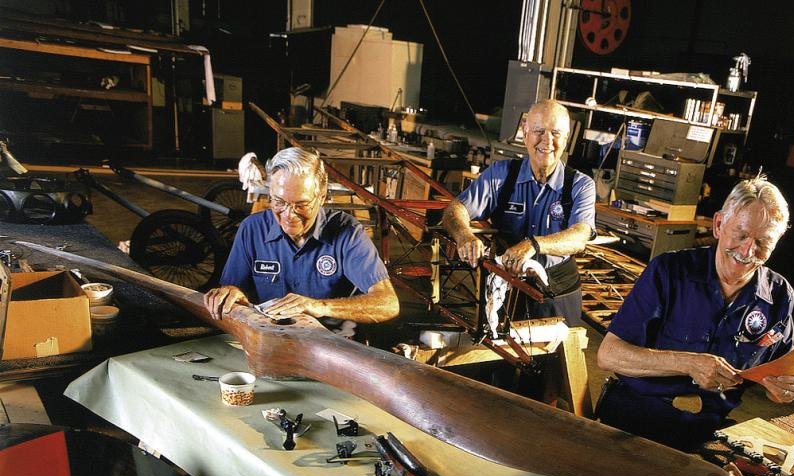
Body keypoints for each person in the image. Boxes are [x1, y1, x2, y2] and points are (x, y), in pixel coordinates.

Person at [595, 176, 794, 451]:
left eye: (762, 242)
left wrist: (788, 386)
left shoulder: (779, 295)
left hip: (705, 433)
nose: (747, 251)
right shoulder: (669, 272)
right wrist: (688, 363)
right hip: (633, 421)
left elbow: (780, 372)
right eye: (741, 234)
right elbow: (608, 355)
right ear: (718, 224)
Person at [442, 99, 595, 326]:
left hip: (557, 294)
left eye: (556, 133)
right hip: (506, 288)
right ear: (525, 133)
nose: (547, 141)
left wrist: (533, 245)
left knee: (558, 358)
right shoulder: (501, 175)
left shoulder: (581, 185)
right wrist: (464, 234)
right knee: (496, 354)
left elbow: (580, 236)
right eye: (539, 131)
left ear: (566, 138)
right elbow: (455, 209)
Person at [204, 147, 399, 324]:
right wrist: (233, 294)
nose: (289, 214)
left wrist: (318, 306)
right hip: (270, 339)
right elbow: (235, 290)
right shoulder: (252, 229)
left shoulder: (347, 232)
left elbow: (388, 303)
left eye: (301, 205)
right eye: (278, 202)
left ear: (321, 197)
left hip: (330, 343)